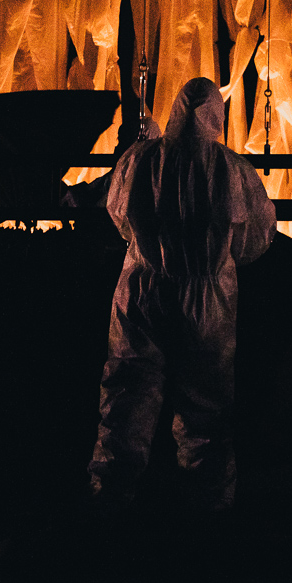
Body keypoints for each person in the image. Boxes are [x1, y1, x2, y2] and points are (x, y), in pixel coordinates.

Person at [88, 77, 276, 512]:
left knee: (126, 394)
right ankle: (208, 506)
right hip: (207, 299)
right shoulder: (231, 169)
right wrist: (215, 261)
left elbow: (117, 213)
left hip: (143, 287)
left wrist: (151, 249)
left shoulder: (141, 159)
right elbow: (257, 236)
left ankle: (108, 500)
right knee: (206, 406)